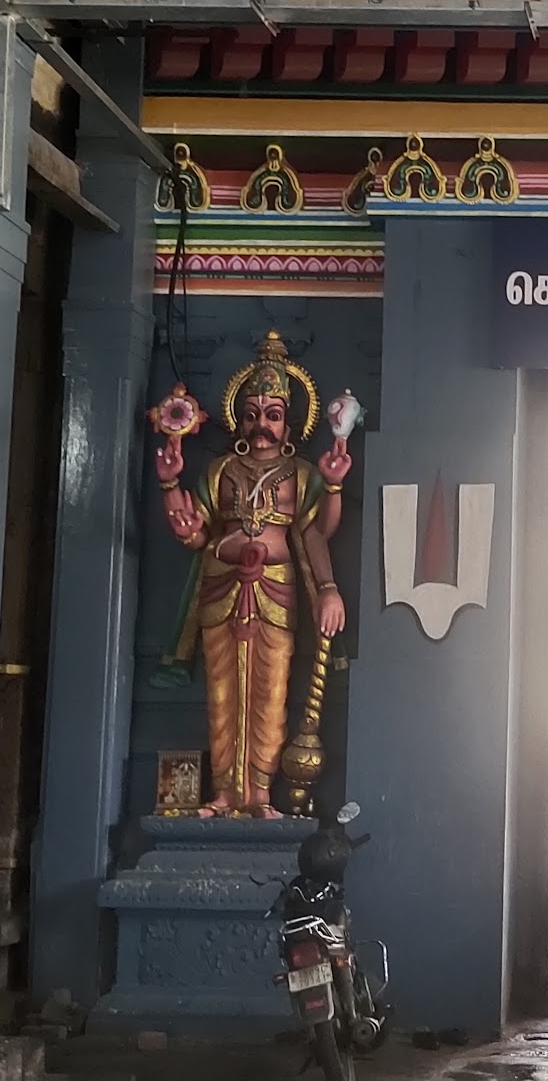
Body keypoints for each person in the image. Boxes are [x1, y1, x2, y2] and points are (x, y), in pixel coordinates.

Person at [154, 330, 350, 819]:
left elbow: (318, 533)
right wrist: (170, 486)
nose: (261, 423)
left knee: (269, 692)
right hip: (221, 590)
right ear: (239, 417)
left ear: (289, 423)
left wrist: (333, 488)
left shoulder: (302, 473)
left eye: (273, 414)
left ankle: (260, 793)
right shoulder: (221, 470)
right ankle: (224, 793)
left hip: (275, 593)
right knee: (221, 692)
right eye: (252, 413)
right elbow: (196, 531)